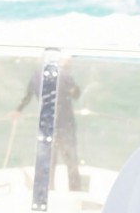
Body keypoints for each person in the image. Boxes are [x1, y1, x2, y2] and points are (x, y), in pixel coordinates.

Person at [9, 56, 84, 192]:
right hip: (65, 125)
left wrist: (18, 110)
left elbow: (28, 96)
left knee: (48, 162)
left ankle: (48, 192)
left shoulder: (36, 75)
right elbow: (76, 95)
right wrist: (69, 75)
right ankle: (75, 192)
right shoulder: (65, 75)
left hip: (46, 124)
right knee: (71, 162)